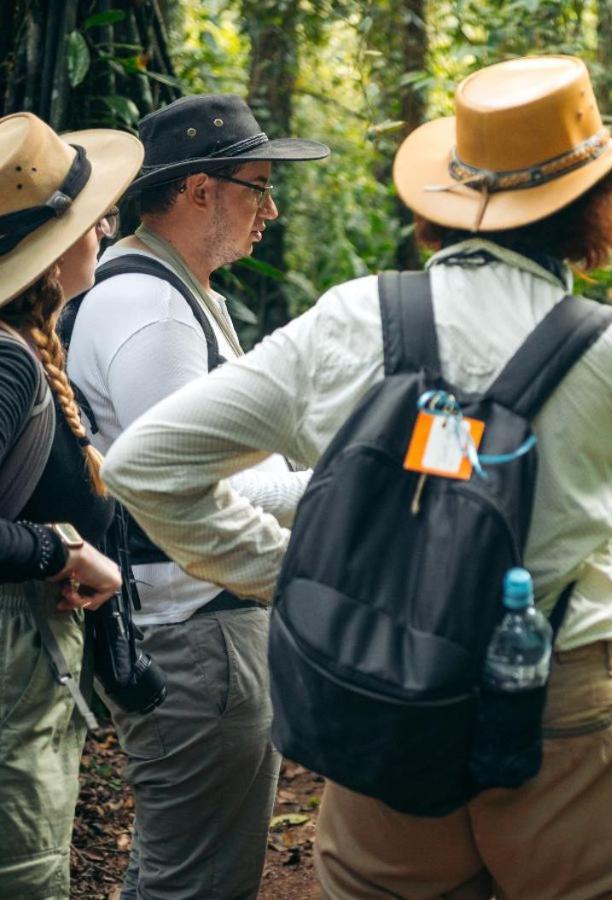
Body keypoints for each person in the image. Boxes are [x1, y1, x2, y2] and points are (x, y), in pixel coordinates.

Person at [102, 55, 612, 898]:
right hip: (565, 700)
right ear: (595, 204)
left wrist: (284, 575)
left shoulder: (350, 318)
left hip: (388, 702)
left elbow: (144, 465)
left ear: (449, 195)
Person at [63, 94, 328, 899]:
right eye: (257, 185)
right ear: (199, 190)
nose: (270, 209)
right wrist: (345, 487)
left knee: (179, 867)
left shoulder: (175, 292)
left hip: (196, 625)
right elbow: (185, 484)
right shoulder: (152, 309)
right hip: (194, 632)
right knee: (200, 882)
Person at [0, 112, 141, 897]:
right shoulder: (8, 361)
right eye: (96, 222)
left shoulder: (25, 344)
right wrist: (62, 552)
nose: (104, 233)